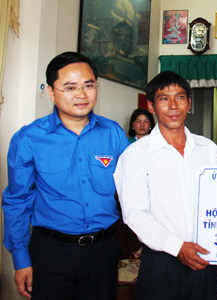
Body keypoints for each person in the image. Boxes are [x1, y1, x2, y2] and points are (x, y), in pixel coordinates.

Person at [2, 52, 129, 299]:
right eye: (70, 87)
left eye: (89, 85)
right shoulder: (29, 138)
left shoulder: (113, 133)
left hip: (103, 251)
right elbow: (17, 201)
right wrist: (20, 259)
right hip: (51, 253)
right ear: (51, 92)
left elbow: (134, 188)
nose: (82, 94)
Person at [113, 70, 217, 300]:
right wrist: (177, 247)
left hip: (205, 258)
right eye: (164, 98)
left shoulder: (209, 149)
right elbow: (135, 214)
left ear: (189, 103)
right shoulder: (135, 155)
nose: (173, 105)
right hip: (161, 262)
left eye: (180, 97)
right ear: (152, 107)